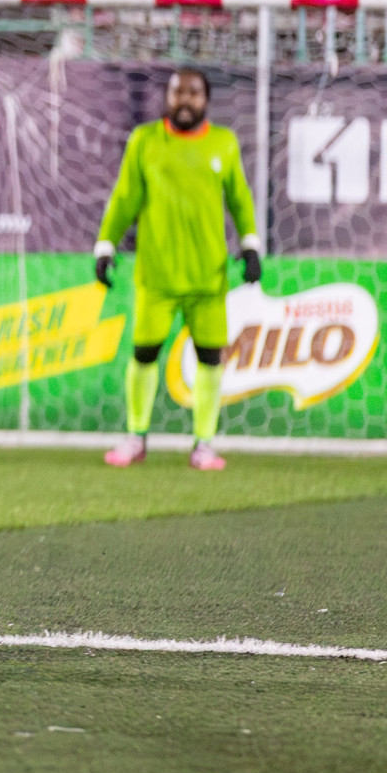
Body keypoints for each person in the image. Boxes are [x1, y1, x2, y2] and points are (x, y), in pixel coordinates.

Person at [96, 67, 261, 471]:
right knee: (144, 353)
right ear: (166, 97)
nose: (185, 100)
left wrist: (251, 244)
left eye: (193, 93)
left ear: (206, 99)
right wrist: (105, 245)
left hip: (209, 277)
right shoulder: (145, 141)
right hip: (157, 277)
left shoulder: (224, 144)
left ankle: (204, 443)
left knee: (210, 358)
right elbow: (124, 199)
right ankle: (136, 437)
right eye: (177, 92)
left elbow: (240, 200)